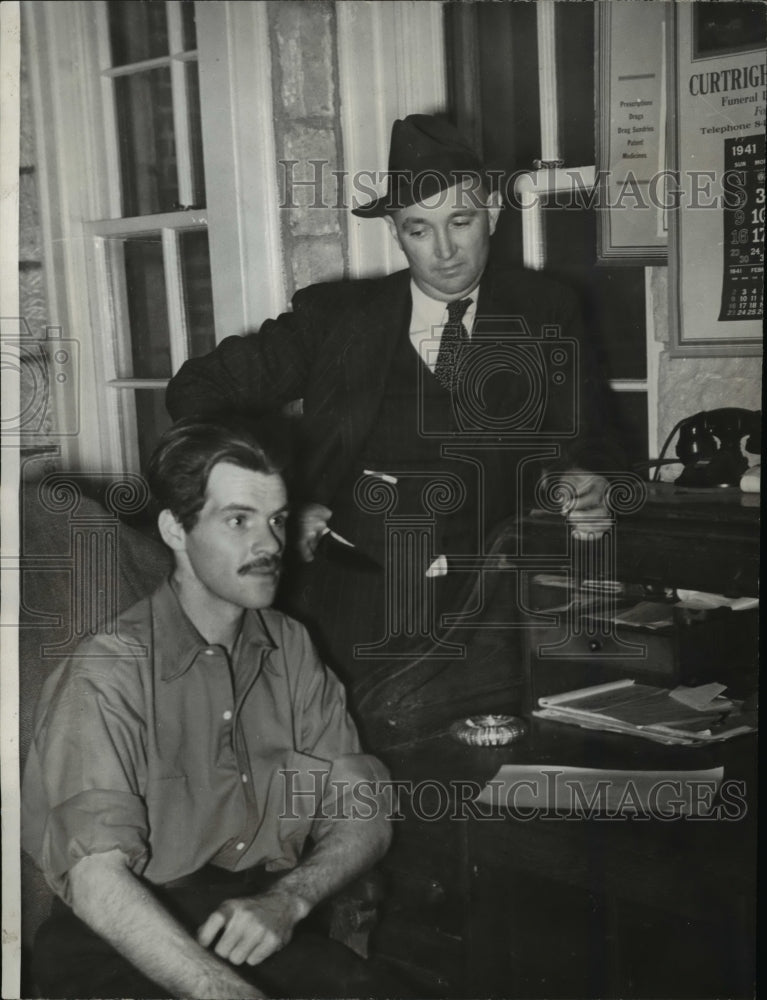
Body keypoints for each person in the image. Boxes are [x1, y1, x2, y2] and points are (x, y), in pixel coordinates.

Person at [166, 115, 623, 748]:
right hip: (351, 608)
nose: (444, 252)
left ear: (491, 211)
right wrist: (278, 505)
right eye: (418, 229)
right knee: (352, 780)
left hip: (492, 611)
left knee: (486, 795)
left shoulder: (547, 310)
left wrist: (586, 477)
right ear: (395, 231)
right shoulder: (334, 319)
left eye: (460, 222)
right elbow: (197, 392)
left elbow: (590, 438)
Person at [21, 417, 393, 999]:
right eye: (238, 520)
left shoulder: (291, 647)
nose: (269, 544)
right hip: (123, 943)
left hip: (250, 923)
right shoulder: (108, 674)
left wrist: (288, 898)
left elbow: (365, 810)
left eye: (275, 520)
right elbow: (97, 881)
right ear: (175, 529)